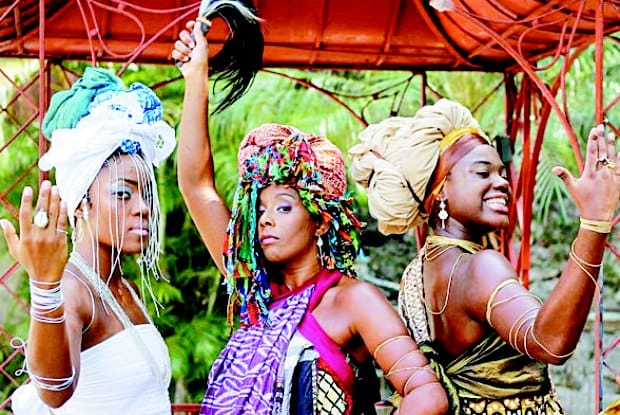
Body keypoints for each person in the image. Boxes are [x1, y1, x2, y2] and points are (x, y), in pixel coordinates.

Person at [172, 20, 449, 415]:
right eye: (260, 210)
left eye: (284, 207)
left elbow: (426, 393)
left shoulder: (353, 300)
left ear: (320, 221)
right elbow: (197, 186)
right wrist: (196, 76)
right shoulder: (256, 291)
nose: (266, 220)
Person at [348, 99, 620, 414]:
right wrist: (594, 224)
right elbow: (550, 343)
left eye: (501, 173)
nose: (501, 182)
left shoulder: (418, 272)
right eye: (482, 172)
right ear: (441, 190)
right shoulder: (480, 266)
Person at [1, 67, 176, 415]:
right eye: (123, 193)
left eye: (146, 194)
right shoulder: (72, 290)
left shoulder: (125, 288)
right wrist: (44, 287)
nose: (143, 208)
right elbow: (54, 392)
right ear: (81, 203)